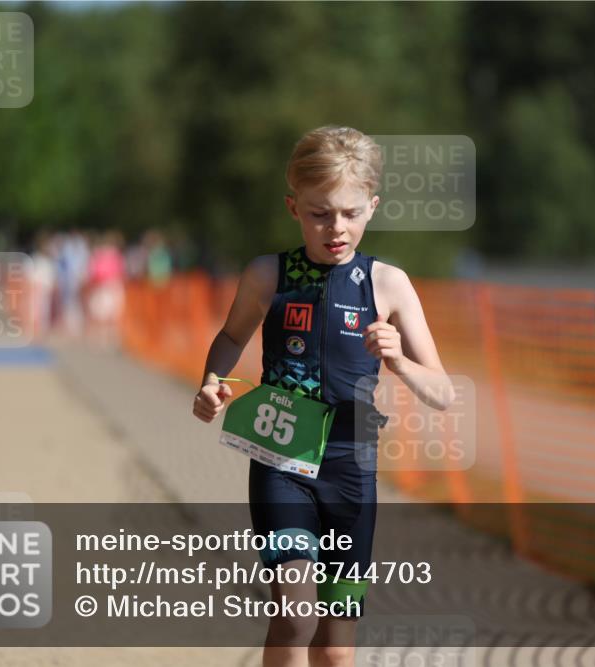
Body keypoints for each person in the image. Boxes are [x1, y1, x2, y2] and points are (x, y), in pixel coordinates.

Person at [192, 126, 454, 667]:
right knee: (295, 616)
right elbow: (232, 336)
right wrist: (211, 381)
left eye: (351, 213)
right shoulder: (269, 274)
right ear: (293, 207)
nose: (336, 227)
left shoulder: (389, 283)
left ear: (372, 207)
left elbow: (443, 392)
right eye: (320, 213)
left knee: (334, 650)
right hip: (280, 459)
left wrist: (399, 359)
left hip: (351, 469)